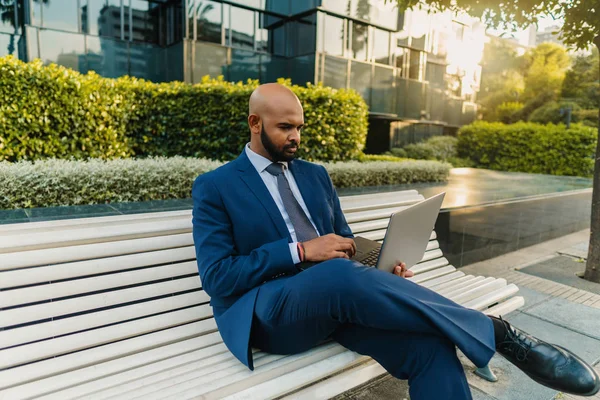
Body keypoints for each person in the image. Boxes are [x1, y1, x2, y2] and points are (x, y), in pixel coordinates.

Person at [192, 83, 599, 399]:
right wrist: (299, 250)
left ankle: (473, 330)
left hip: (339, 299)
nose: (295, 136)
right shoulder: (216, 187)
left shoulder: (314, 175)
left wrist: (383, 273)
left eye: (299, 127)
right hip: (269, 312)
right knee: (336, 275)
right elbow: (217, 278)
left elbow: (345, 243)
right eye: (285, 127)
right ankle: (496, 333)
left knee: (432, 346)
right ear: (254, 123)